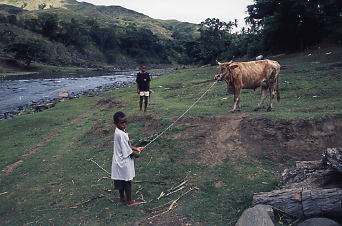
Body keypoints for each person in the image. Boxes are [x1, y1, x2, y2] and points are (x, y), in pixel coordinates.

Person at [111, 111, 145, 206]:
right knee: (127, 181)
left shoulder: (119, 131)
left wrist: (136, 148)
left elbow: (126, 145)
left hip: (118, 160)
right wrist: (136, 154)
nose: (125, 124)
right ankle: (129, 201)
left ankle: (122, 199)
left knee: (121, 179)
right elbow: (128, 151)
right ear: (115, 123)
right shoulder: (121, 134)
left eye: (126, 122)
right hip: (123, 161)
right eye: (122, 123)